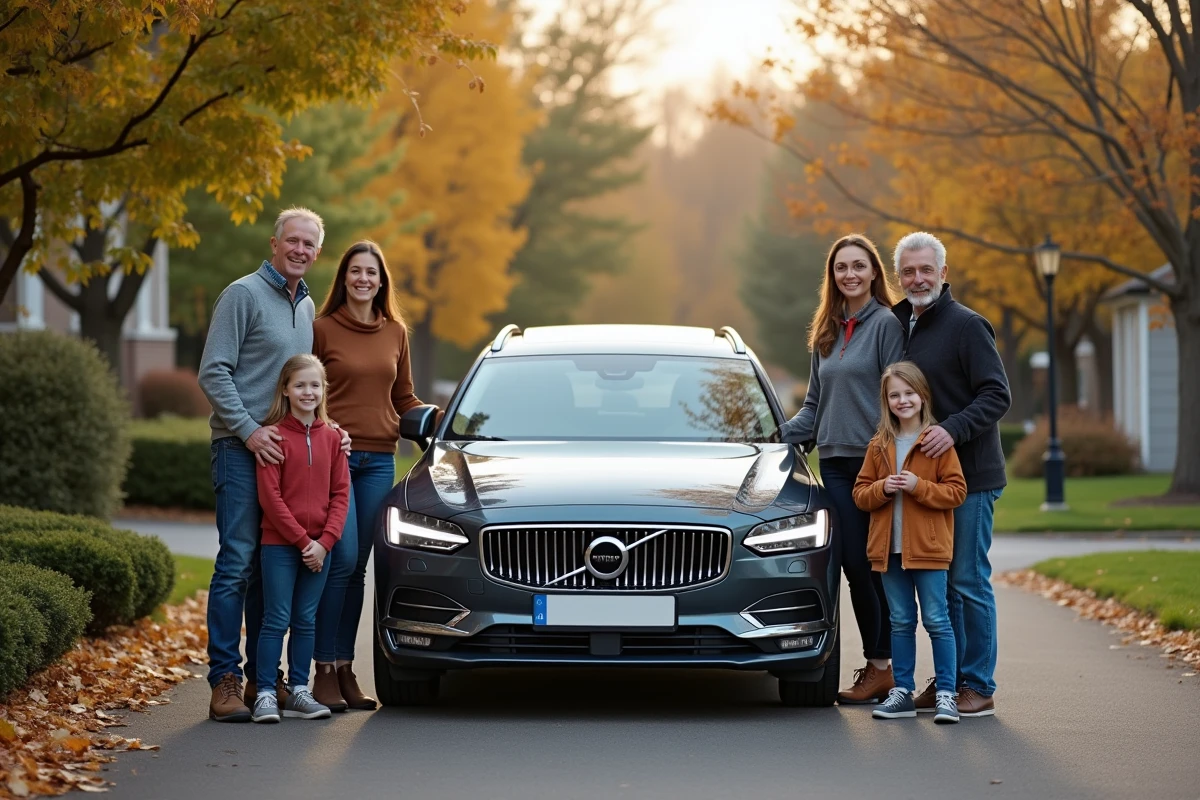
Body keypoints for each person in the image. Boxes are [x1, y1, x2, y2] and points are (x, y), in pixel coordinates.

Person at [199, 207, 349, 723]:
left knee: (268, 567)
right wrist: (248, 429)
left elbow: (305, 386)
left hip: (283, 452)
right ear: (274, 242)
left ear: (317, 252)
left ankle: (266, 682)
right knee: (238, 562)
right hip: (240, 448)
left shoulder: (305, 307)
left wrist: (329, 430)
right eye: (293, 241)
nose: (300, 250)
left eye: (309, 244)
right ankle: (224, 678)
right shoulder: (242, 295)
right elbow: (213, 372)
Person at [310, 241, 438, 712]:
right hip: (334, 459)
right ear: (344, 278)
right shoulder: (321, 329)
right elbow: (306, 391)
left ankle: (345, 668)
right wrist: (326, 430)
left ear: (382, 281)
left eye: (372, 272)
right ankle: (322, 668)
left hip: (379, 459)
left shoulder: (396, 332)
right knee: (339, 561)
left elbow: (403, 398)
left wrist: (444, 422)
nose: (364, 279)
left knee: (359, 568)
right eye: (355, 271)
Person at [779, 233, 906, 704]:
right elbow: (814, 405)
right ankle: (881, 667)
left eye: (858, 266)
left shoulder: (887, 326)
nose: (849, 274)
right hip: (834, 463)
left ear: (874, 272)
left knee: (877, 566)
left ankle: (886, 667)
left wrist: (893, 451)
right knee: (854, 564)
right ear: (831, 277)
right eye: (840, 268)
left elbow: (898, 397)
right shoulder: (827, 331)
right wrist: (773, 437)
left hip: (876, 462)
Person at [891, 232, 1012, 717]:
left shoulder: (967, 326)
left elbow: (996, 394)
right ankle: (948, 684)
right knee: (941, 589)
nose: (917, 279)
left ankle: (978, 686)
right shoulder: (900, 323)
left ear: (943, 273)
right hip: (924, 482)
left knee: (966, 581)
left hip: (972, 477)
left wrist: (953, 431)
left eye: (926, 270)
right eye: (908, 271)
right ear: (899, 277)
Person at [853, 362, 967, 724]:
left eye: (909, 393)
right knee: (900, 621)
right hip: (889, 551)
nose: (903, 400)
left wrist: (919, 487)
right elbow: (860, 494)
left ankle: (946, 693)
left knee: (937, 619)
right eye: (894, 395)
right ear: (886, 402)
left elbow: (957, 492)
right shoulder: (879, 445)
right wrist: (882, 488)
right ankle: (901, 691)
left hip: (929, 550)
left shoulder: (936, 442)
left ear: (923, 396)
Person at [250, 354, 350, 723]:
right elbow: (270, 498)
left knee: (306, 620)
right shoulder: (274, 436)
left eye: (315, 385)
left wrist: (325, 542)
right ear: (286, 390)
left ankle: (299, 690)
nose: (308, 391)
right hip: (280, 545)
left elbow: (341, 494)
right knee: (276, 618)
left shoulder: (334, 438)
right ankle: (264, 693)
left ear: (324, 390)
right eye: (300, 385)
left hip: (320, 548)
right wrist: (302, 542)